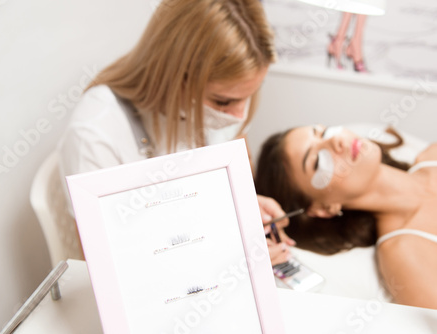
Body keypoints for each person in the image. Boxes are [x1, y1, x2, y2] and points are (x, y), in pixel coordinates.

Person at [57, 0, 292, 264]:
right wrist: (232, 261)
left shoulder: (230, 100)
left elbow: (228, 178)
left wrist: (244, 205)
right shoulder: (96, 135)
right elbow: (108, 268)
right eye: (222, 102)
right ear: (173, 75)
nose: (238, 116)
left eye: (249, 95)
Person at [255, 124, 437, 309]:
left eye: (324, 132)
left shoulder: (432, 154)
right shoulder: (405, 254)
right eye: (317, 161)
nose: (336, 140)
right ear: (323, 208)